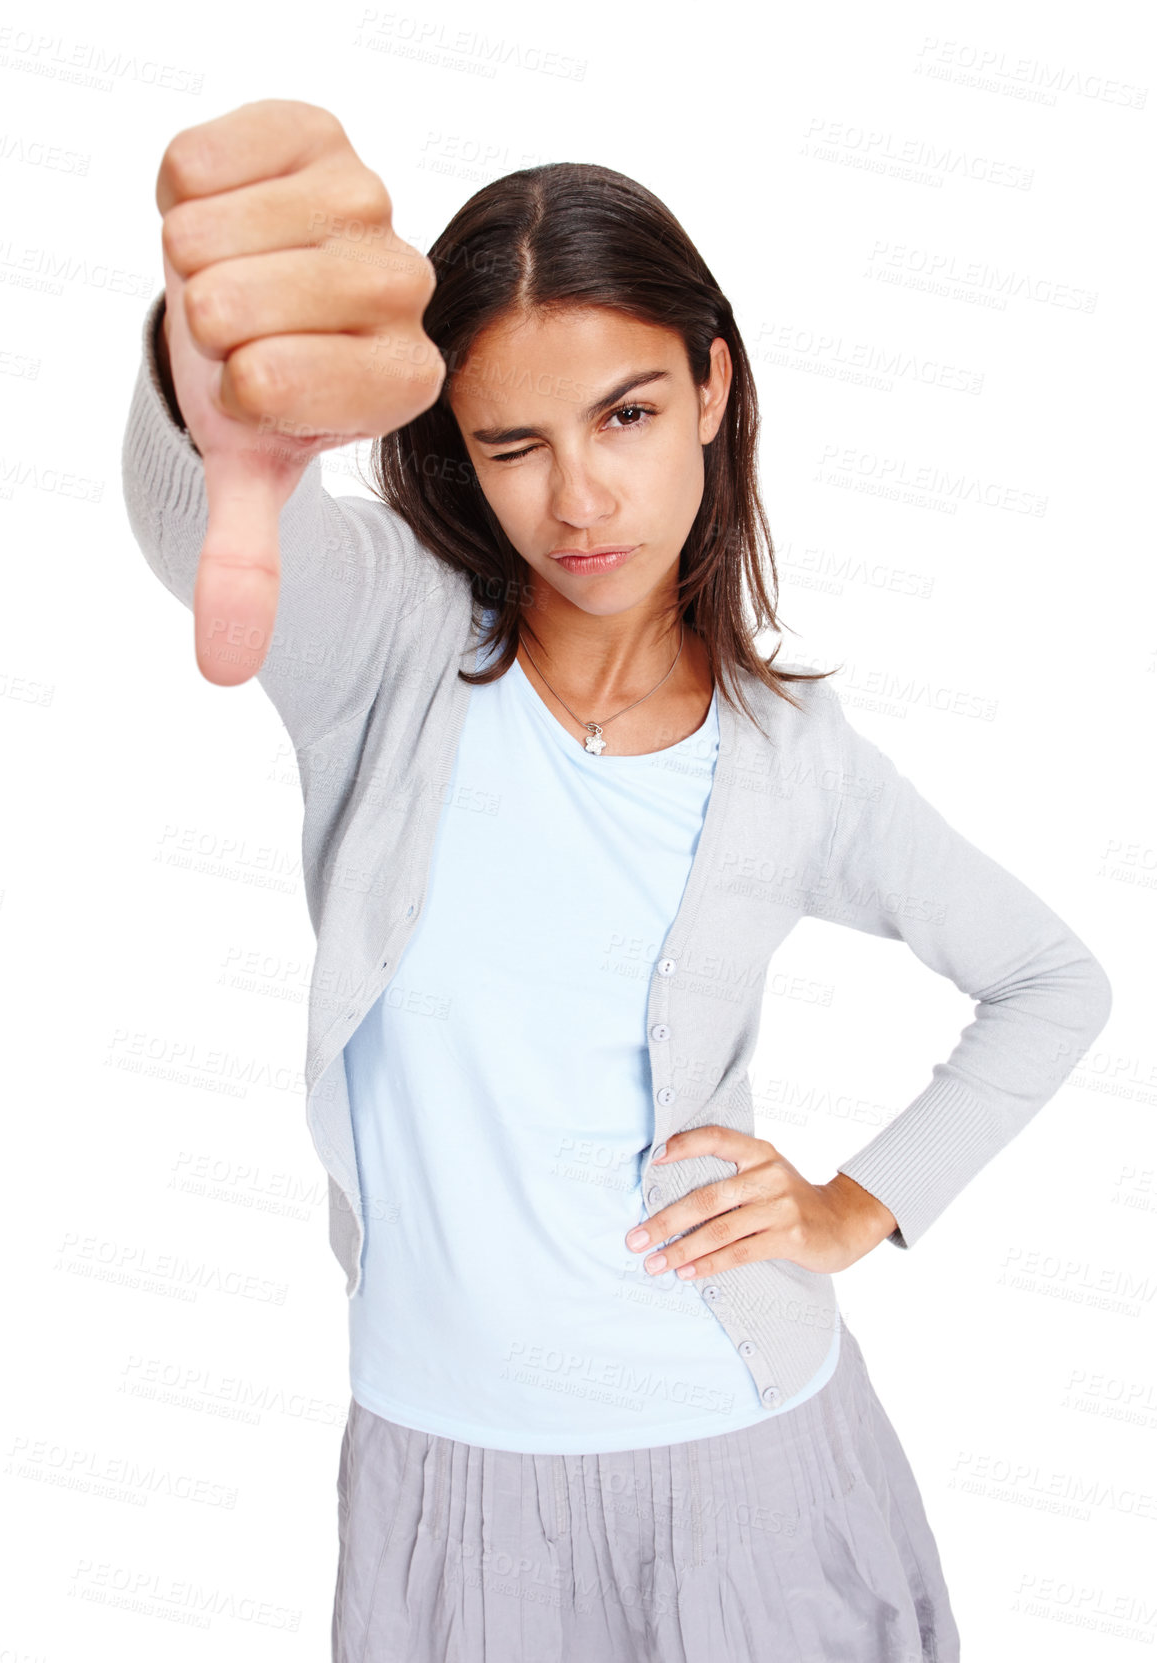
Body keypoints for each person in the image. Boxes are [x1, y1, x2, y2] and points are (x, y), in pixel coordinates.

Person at [123, 98, 1112, 1663]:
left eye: (626, 416)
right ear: (455, 448)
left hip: (751, 1461)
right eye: (511, 443)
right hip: (443, 1483)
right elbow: (210, 528)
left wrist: (855, 1210)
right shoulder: (388, 650)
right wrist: (209, 397)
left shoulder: (797, 758)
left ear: (712, 386)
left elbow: (1053, 982)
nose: (576, 499)